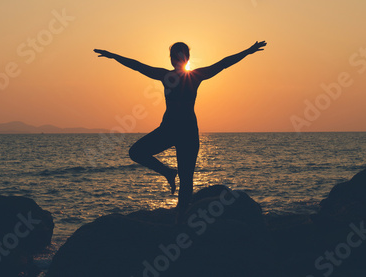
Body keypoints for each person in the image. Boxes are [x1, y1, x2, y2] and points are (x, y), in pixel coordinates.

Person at [94, 40, 266, 223]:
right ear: (172, 59)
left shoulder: (195, 76)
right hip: (168, 129)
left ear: (186, 59)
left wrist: (248, 51)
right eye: (174, 55)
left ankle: (180, 215)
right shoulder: (167, 76)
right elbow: (138, 66)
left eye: (179, 55)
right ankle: (168, 173)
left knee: (186, 177)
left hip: (188, 132)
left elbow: (223, 64)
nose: (176, 58)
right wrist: (113, 56)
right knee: (136, 152)